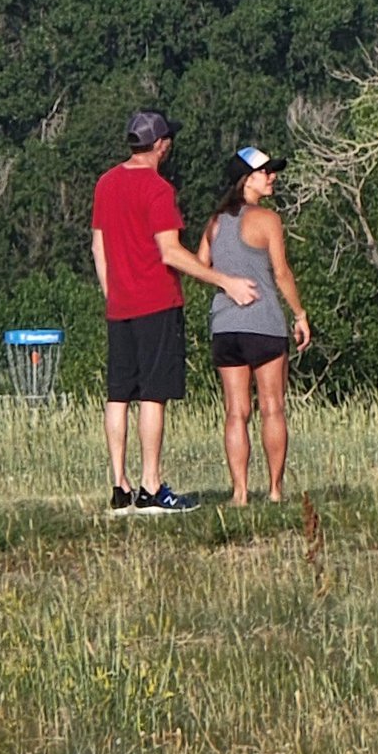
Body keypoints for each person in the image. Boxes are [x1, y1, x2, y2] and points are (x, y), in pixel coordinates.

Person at [91, 111, 260, 515]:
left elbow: (98, 246)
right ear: (161, 144)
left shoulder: (106, 183)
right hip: (156, 302)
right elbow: (169, 252)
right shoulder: (157, 189)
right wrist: (224, 281)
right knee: (153, 393)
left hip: (120, 306)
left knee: (118, 395)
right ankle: (150, 486)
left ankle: (119, 487)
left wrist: (112, 293)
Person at [204, 144, 311, 505]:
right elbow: (281, 274)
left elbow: (202, 265)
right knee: (272, 407)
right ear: (246, 180)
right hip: (264, 323)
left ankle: (239, 492)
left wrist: (225, 283)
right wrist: (300, 314)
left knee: (236, 411)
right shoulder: (268, 221)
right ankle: (276, 491)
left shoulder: (215, 223)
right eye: (266, 172)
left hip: (226, 326)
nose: (272, 177)